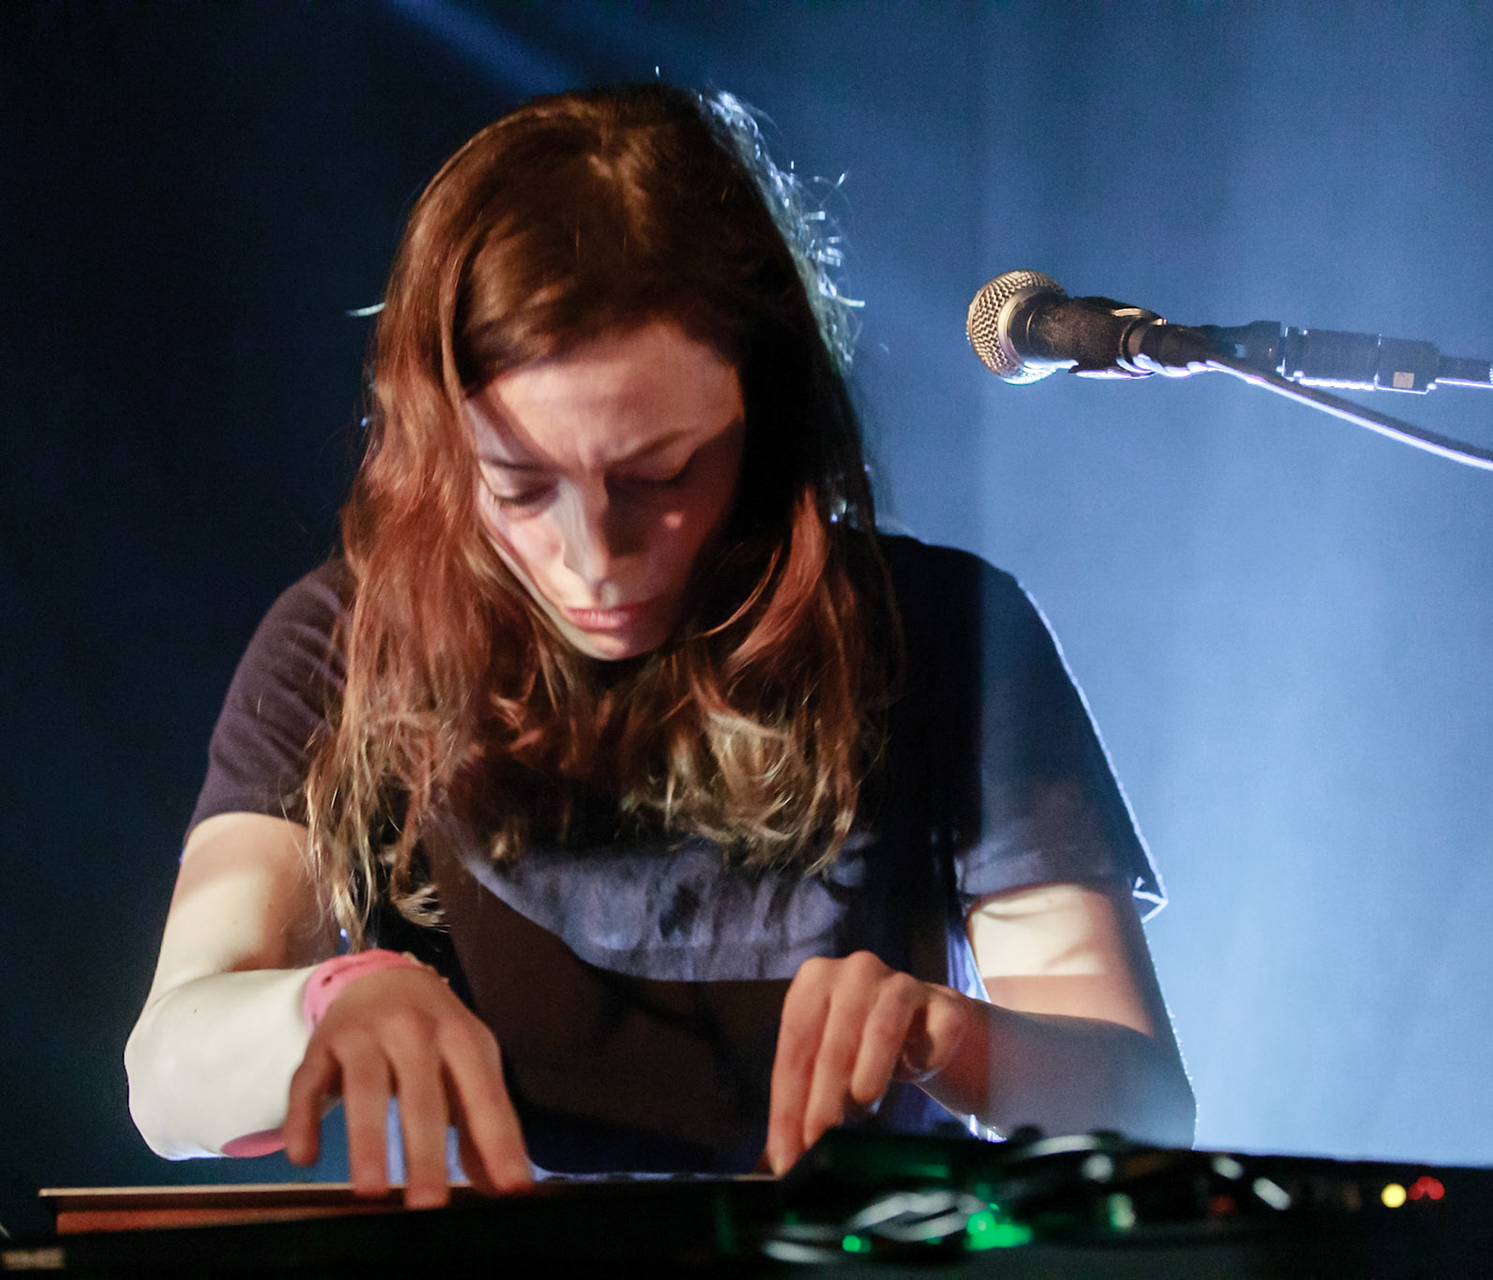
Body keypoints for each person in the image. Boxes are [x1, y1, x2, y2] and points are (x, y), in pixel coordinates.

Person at [124, 84, 1195, 1210]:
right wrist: (329, 1001)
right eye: (520, 486)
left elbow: (1148, 1103)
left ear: (764, 414)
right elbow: (166, 1073)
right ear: (445, 446)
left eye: (659, 475)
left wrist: (953, 1036)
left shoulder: (943, 629)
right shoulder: (347, 641)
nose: (596, 554)